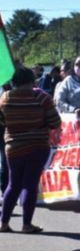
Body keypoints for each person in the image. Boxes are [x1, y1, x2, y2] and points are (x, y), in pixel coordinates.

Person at [0, 67, 61, 233]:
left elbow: (2, 121)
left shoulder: (5, 98)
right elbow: (55, 122)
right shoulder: (42, 97)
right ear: (31, 80)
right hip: (37, 146)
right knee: (30, 184)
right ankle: (27, 224)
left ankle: (3, 223)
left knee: (13, 185)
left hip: (13, 147)